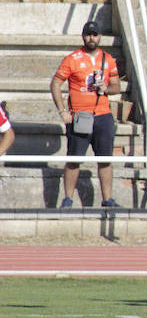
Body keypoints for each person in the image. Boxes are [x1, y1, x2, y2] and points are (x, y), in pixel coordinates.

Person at [49, 21, 122, 208]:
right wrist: (62, 111)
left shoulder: (108, 59)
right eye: (88, 34)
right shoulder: (72, 59)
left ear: (100, 37)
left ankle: (107, 199)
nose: (92, 38)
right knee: (74, 159)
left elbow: (116, 87)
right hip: (80, 116)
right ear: (83, 36)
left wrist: (106, 88)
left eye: (95, 34)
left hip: (103, 115)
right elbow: (56, 83)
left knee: (105, 159)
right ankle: (68, 199)